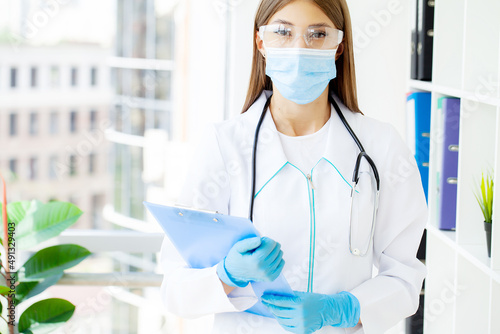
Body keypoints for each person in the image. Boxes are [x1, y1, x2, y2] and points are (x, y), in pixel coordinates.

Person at [159, 0, 427, 333]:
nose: (300, 48)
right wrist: (226, 275)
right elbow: (174, 289)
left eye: (317, 34)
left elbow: (404, 277)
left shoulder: (381, 147)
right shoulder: (224, 146)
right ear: (261, 42)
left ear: (339, 46)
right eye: (283, 32)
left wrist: (342, 309)